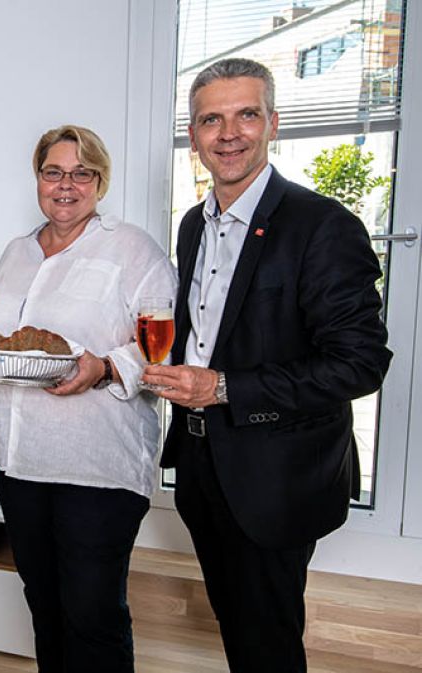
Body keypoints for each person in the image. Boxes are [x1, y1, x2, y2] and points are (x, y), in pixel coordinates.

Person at [143, 58, 392, 672]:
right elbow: (207, 331)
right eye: (211, 120)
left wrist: (225, 387)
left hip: (275, 473)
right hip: (201, 462)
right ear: (194, 134)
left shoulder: (324, 226)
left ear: (272, 123)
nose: (229, 133)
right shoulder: (193, 226)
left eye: (245, 114)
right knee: (236, 619)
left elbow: (359, 363)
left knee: (268, 637)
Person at [0, 125, 177, 672]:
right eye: (53, 172)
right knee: (43, 604)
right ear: (37, 178)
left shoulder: (132, 248)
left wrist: (105, 365)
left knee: (92, 613)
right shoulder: (16, 253)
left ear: (100, 181)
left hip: (97, 466)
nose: (66, 185)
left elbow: (162, 341)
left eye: (81, 173)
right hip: (20, 463)